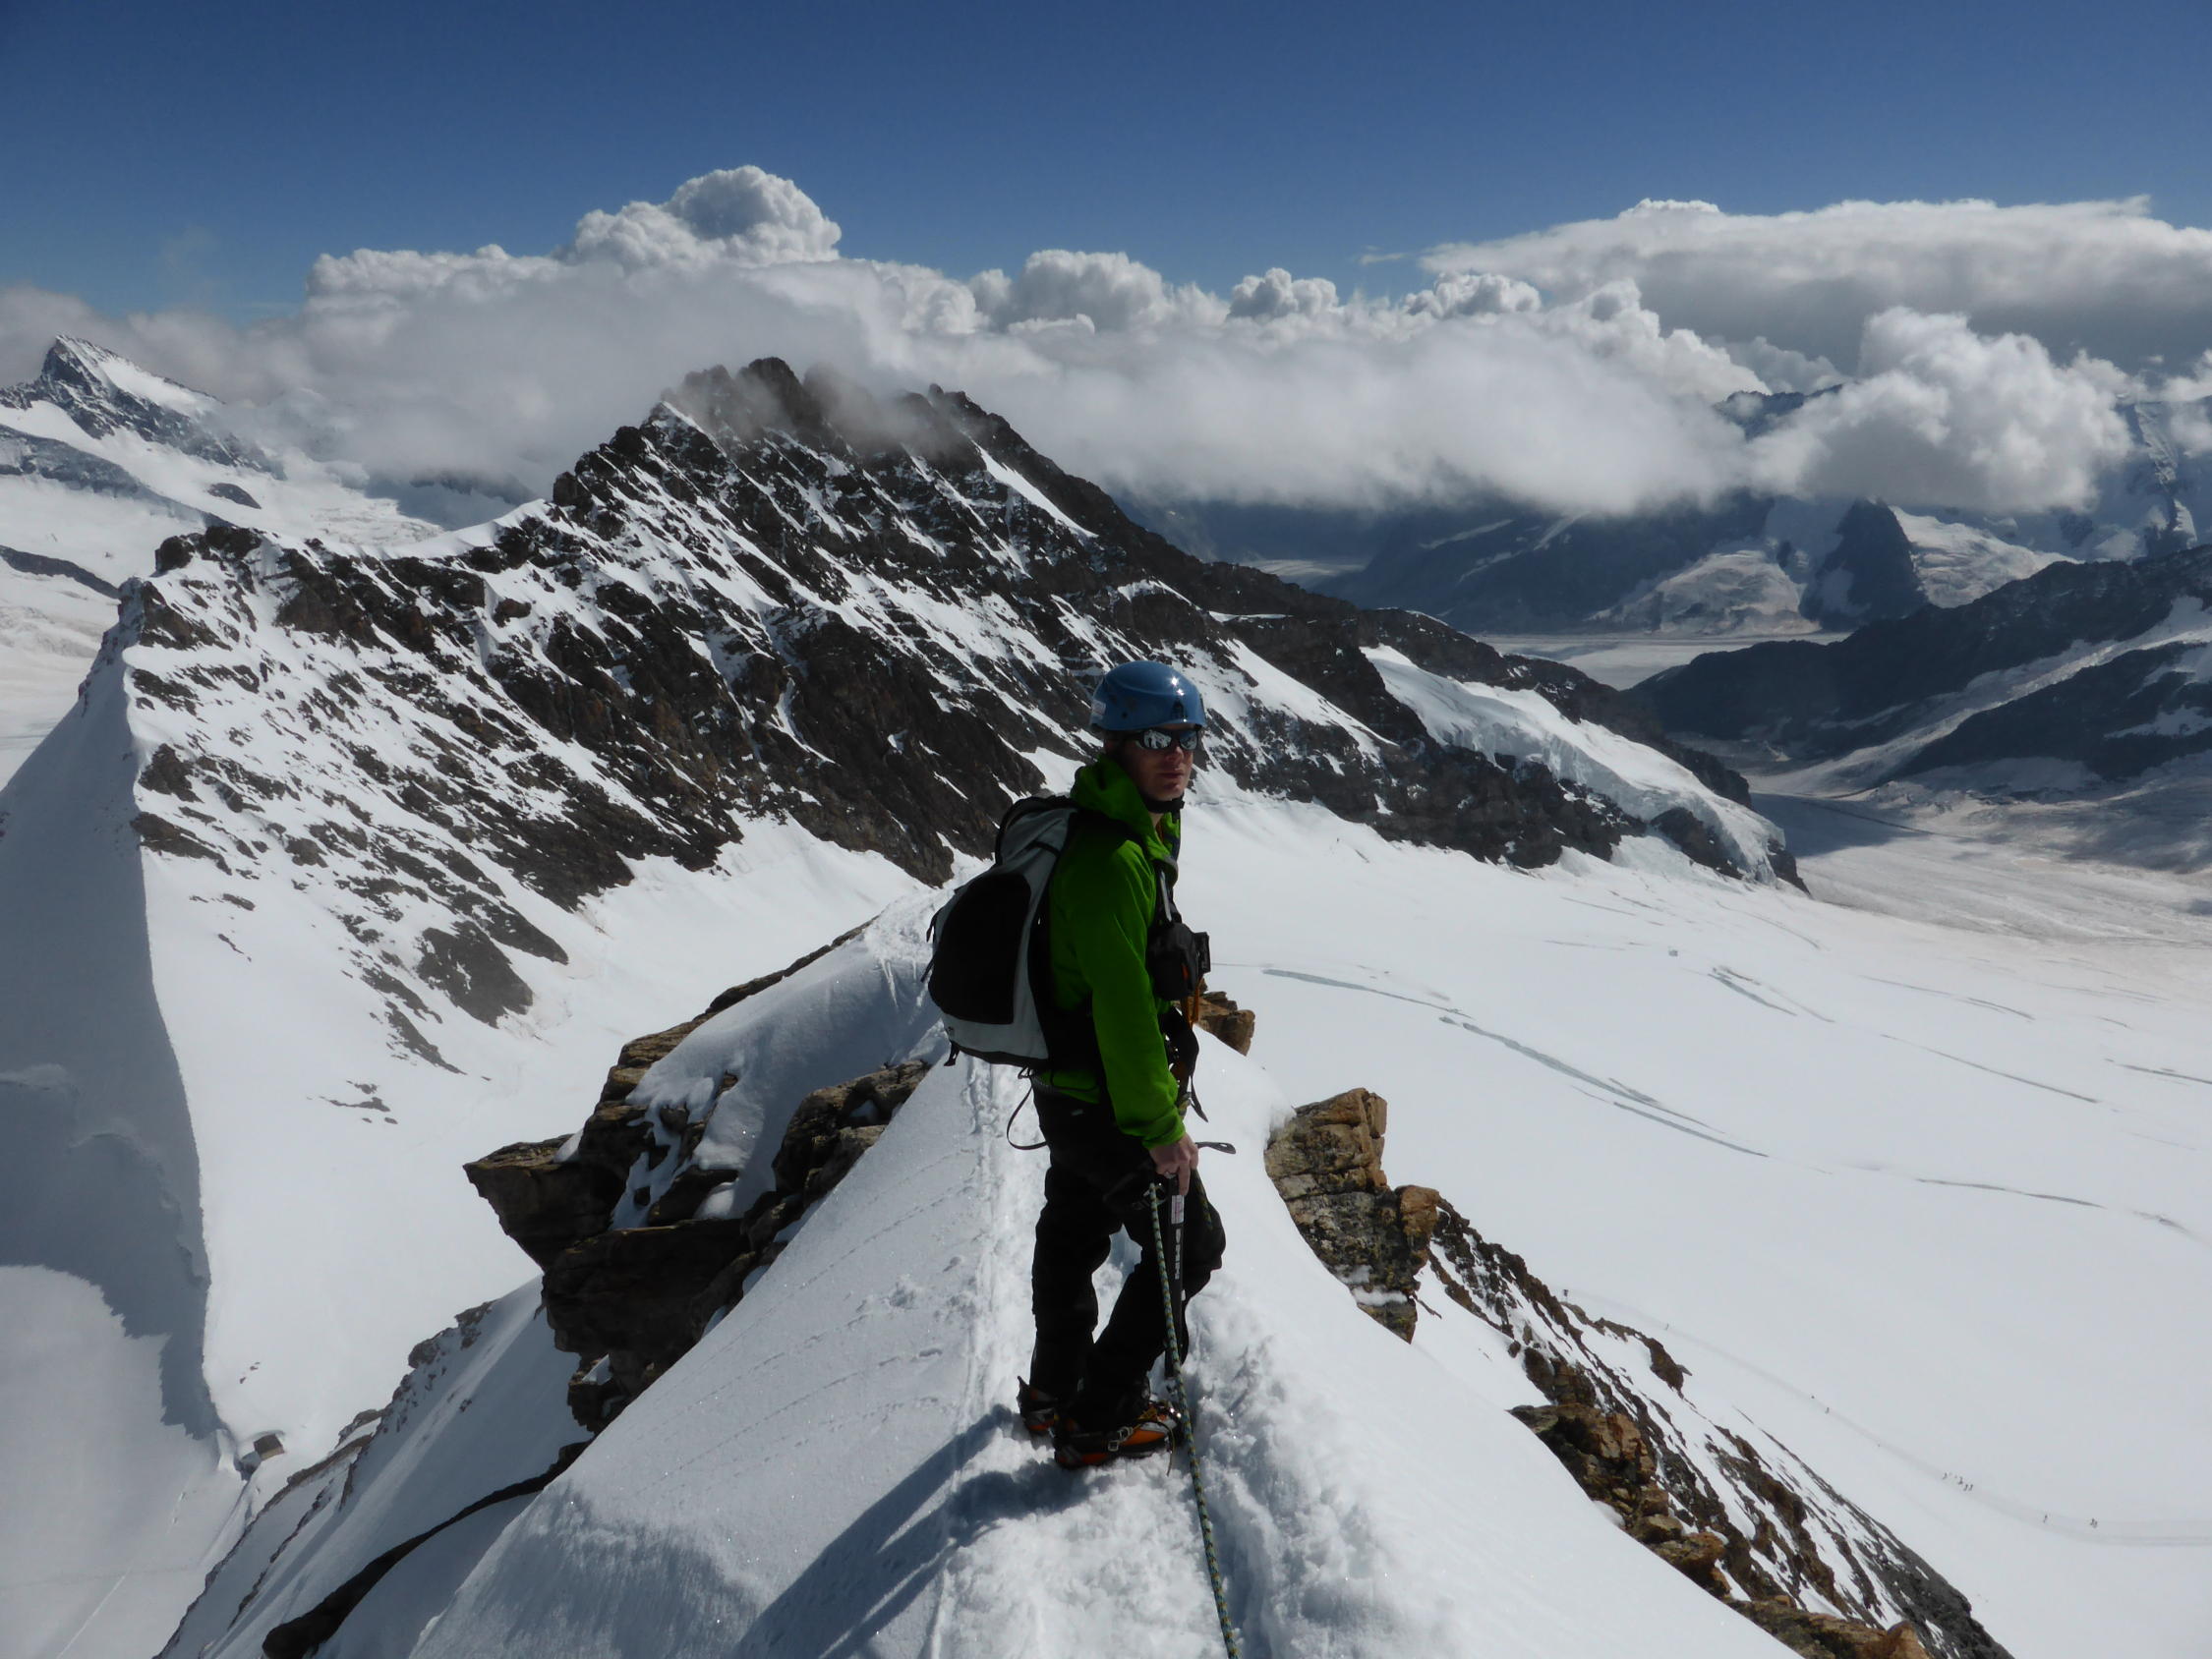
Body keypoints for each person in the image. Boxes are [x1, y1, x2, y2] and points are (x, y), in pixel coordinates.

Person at [1019, 659, 1228, 1468]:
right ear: (1115, 744)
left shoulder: (1131, 830)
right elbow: (1125, 1009)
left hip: (1070, 1090)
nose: (1177, 755)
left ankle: (1053, 1388)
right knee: (1191, 1247)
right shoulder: (1111, 861)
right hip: (1105, 1098)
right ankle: (1099, 1415)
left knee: (1074, 1230)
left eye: (1187, 738)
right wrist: (1160, 1128)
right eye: (1155, 739)